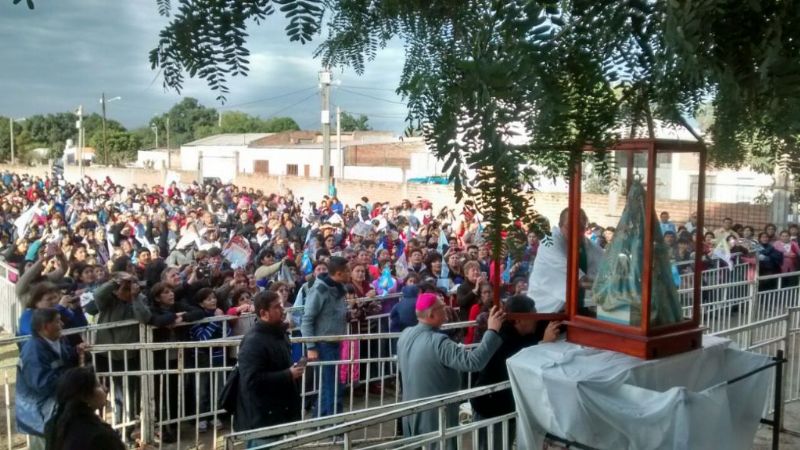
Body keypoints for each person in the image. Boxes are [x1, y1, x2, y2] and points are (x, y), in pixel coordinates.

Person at [396, 293, 506, 449]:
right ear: (431, 314)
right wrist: (492, 331)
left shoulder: (406, 334)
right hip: (435, 415)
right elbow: (474, 362)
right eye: (443, 308)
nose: (447, 312)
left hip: (410, 412)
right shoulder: (439, 342)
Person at [470, 295, 561, 449]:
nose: (536, 320)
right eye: (532, 316)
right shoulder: (503, 338)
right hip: (490, 408)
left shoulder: (520, 334)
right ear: (518, 320)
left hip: (504, 406)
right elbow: (519, 357)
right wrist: (544, 343)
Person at [235, 291, 303, 448]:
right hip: (263, 413)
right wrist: (287, 374)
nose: (282, 309)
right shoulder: (254, 341)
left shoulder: (279, 333)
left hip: (278, 408)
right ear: (263, 313)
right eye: (277, 306)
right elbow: (252, 380)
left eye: (281, 305)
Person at [16, 308, 86, 450]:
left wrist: (75, 352)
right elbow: (43, 384)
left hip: (54, 411)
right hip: (40, 415)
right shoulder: (33, 351)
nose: (62, 324)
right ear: (45, 327)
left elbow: (62, 362)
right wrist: (75, 379)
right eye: (57, 321)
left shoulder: (59, 341)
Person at [527, 208, 604, 313]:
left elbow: (607, 264)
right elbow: (580, 280)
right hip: (546, 311)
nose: (575, 231)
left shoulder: (588, 245)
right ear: (560, 225)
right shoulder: (549, 243)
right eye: (569, 227)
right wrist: (608, 287)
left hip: (577, 308)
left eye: (580, 228)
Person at [301, 255, 350, 417]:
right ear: (338, 273)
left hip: (334, 341)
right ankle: (334, 425)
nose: (349, 273)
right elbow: (307, 319)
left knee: (327, 386)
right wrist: (311, 347)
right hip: (323, 344)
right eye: (347, 270)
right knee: (332, 387)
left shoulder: (338, 288)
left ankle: (319, 421)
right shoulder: (320, 290)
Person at [43, 367, 130, 450]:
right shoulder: (98, 435)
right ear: (85, 395)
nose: (105, 388)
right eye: (98, 386)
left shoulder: (53, 424)